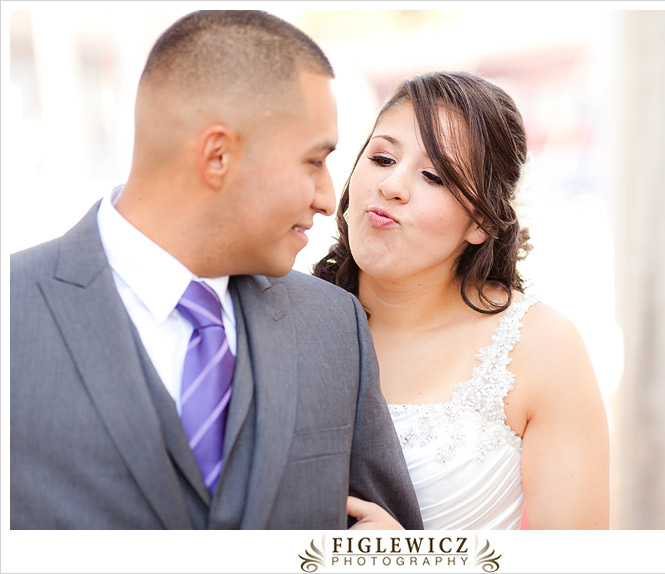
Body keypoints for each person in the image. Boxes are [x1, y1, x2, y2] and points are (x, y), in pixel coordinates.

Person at [10, 10, 422, 530]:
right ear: (218, 156)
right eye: (313, 161)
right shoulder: (14, 310)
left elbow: (392, 535)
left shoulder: (335, 326)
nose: (326, 197)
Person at [314, 71, 609, 529]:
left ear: (481, 223)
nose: (392, 186)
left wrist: (411, 558)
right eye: (382, 158)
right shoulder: (289, 319)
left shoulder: (539, 347)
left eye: (434, 176)